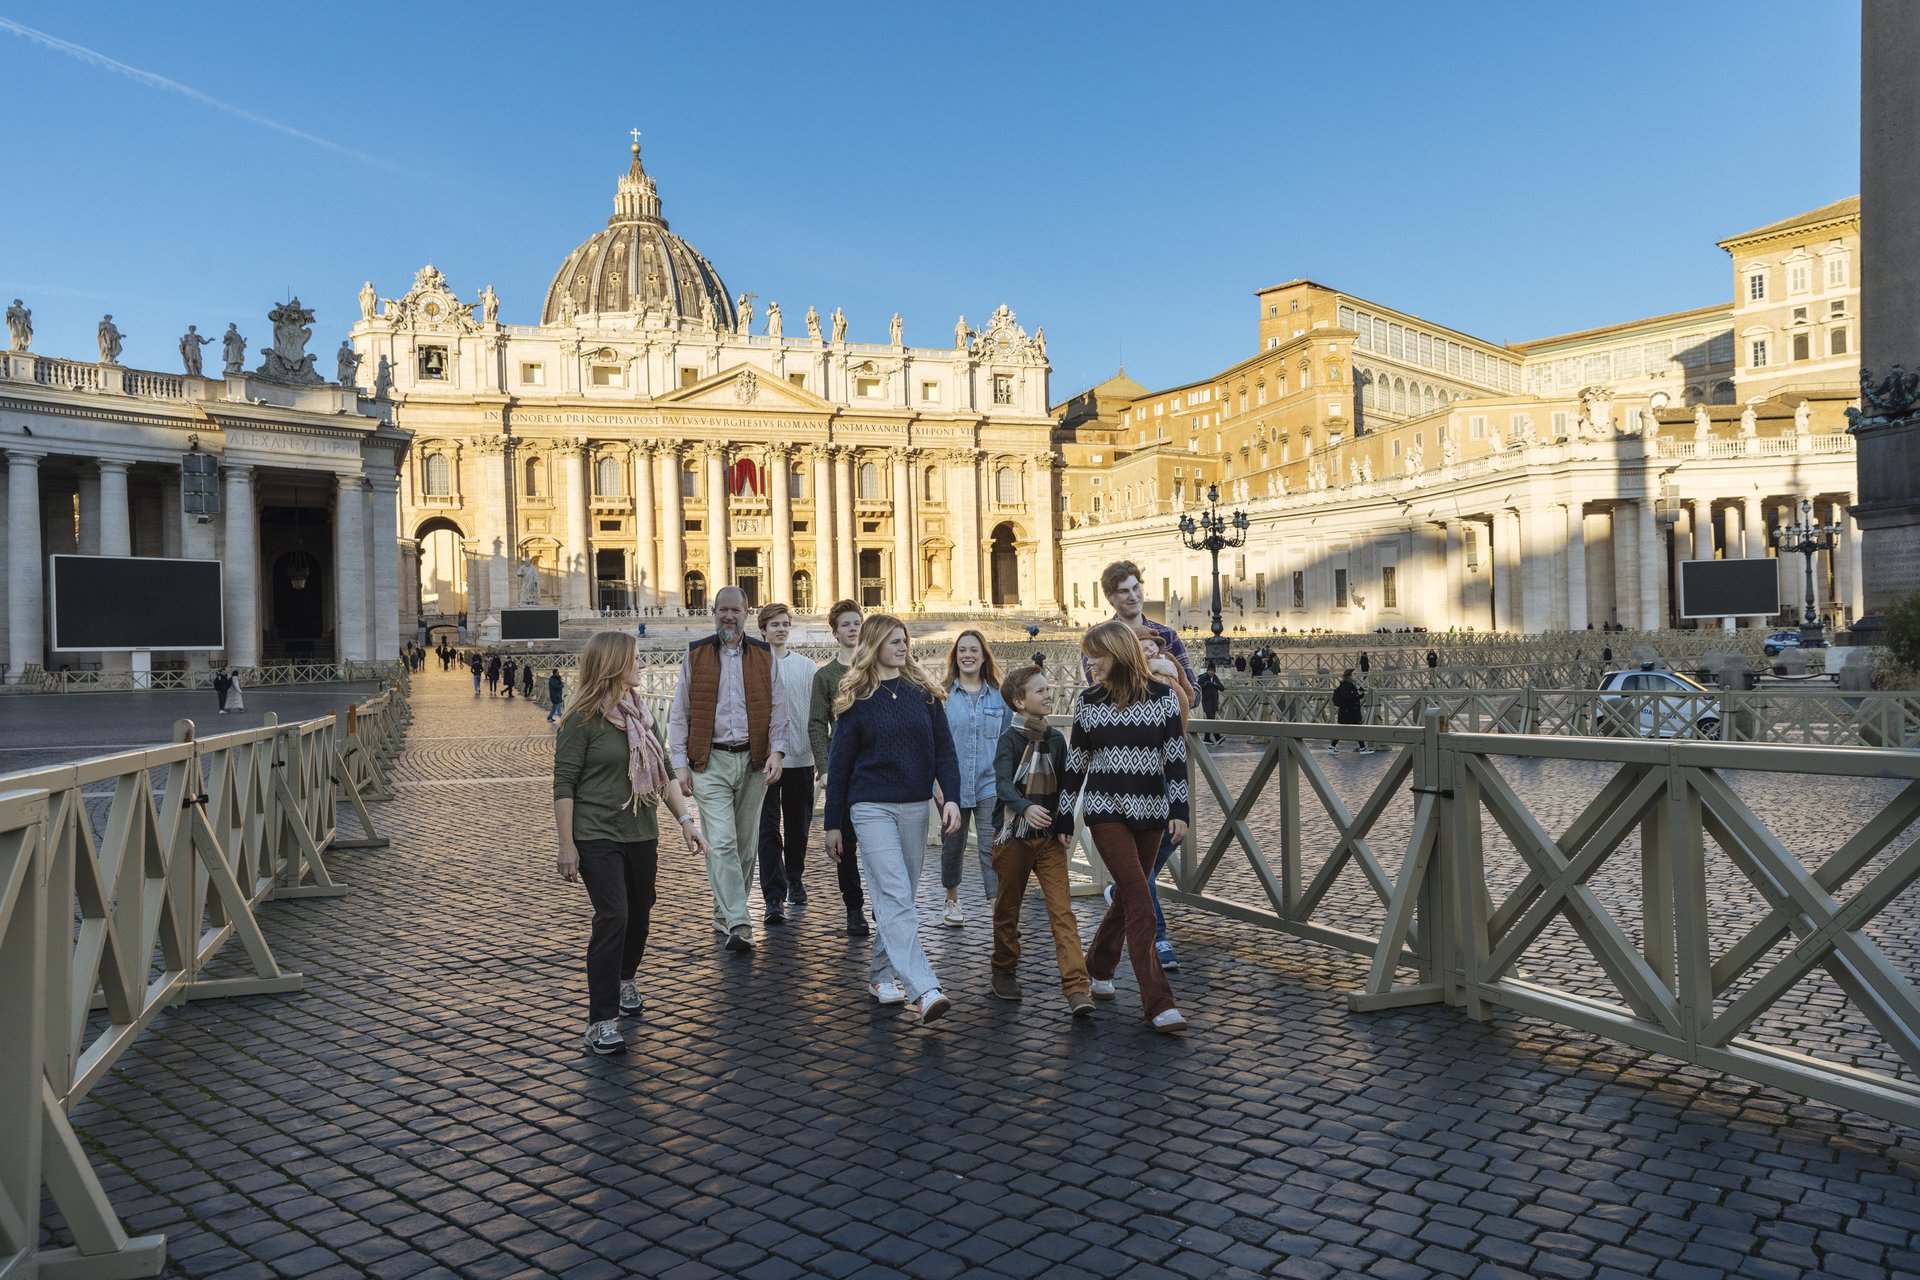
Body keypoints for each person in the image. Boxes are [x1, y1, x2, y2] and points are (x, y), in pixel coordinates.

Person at [554, 631, 709, 1056]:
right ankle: (600, 1020)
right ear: (614, 664)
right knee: (614, 916)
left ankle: (625, 978)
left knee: (640, 914)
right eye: (636, 659)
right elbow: (563, 785)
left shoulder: (642, 715)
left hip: (641, 831)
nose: (642, 665)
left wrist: (685, 821)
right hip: (595, 833)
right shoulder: (580, 721)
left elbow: (660, 772)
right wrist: (566, 845)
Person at [823, 615, 962, 1024]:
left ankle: (881, 974)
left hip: (916, 805)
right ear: (875, 645)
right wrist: (834, 823)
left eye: (905, 641)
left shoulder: (923, 694)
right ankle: (923, 988)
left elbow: (945, 753)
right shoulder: (857, 698)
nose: (904, 647)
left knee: (898, 897)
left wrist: (950, 798)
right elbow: (841, 763)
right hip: (870, 807)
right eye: (895, 641)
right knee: (896, 892)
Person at [1052, 620, 1189, 1033]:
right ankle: (1159, 1002)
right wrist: (1064, 816)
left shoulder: (1164, 699)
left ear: (1118, 654)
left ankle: (1098, 965)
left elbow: (1176, 758)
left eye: (1096, 655)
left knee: (1127, 897)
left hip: (1152, 810)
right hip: (1104, 810)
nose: (1090, 662)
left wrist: (1179, 809)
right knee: (1139, 896)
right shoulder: (1089, 701)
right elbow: (1075, 764)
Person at [668, 585, 785, 953]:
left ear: (748, 613)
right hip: (710, 761)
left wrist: (778, 752)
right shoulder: (696, 653)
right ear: (713, 612)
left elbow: (779, 711)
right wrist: (680, 764)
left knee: (746, 845)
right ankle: (739, 920)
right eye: (722, 610)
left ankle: (723, 910)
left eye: (735, 610)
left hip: (753, 761)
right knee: (720, 842)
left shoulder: (766, 656)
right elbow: (679, 713)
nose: (728, 616)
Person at [989, 664, 1092, 1015]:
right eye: (1040, 691)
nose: (1049, 695)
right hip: (1013, 837)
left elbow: (1065, 786)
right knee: (1007, 909)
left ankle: (1077, 988)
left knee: (1062, 911)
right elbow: (1002, 783)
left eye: (1049, 689)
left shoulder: (1056, 738)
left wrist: (1064, 823)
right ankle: (1003, 970)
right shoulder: (1009, 739)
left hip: (1048, 838)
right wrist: (1023, 807)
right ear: (1019, 702)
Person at [937, 630, 1008, 927]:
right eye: (962, 650)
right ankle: (952, 898)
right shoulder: (940, 696)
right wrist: (937, 784)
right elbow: (934, 744)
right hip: (952, 783)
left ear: (983, 656)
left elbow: (1008, 743)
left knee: (991, 844)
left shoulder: (1000, 697)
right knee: (953, 842)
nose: (968, 655)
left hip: (989, 781)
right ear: (955, 657)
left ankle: (997, 905)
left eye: (974, 650)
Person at [809, 599, 870, 936]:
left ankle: (880, 901)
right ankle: (854, 905)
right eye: (845, 624)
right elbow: (817, 724)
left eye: (856, 623)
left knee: (877, 840)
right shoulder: (825, 676)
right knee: (845, 841)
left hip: (875, 766)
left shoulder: (876, 668)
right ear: (835, 633)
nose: (852, 629)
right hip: (842, 768)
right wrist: (824, 767)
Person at [755, 602, 818, 924]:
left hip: (800, 758)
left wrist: (820, 755)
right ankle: (773, 896)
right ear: (763, 630)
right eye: (774, 624)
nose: (780, 629)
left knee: (798, 828)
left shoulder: (807, 667)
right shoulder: (753, 666)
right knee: (767, 832)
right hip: (763, 762)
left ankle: (795, 876)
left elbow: (818, 716)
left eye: (785, 624)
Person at [1099, 560, 1196, 687]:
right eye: (1124, 591)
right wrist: (1149, 667)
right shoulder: (1099, 639)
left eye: (1136, 588)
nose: (1133, 596)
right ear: (1109, 596)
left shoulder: (1168, 635)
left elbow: (1193, 690)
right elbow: (1099, 690)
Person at [1329, 668, 1369, 754]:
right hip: (1348, 712)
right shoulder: (1344, 686)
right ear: (1349, 676)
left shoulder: (1352, 685)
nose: (1356, 676)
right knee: (1352, 729)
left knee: (1350, 729)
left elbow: (1358, 696)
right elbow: (1346, 697)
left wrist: (1360, 691)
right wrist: (1356, 694)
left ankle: (1332, 746)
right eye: (1354, 674)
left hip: (1350, 712)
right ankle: (1362, 748)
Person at [1197, 661, 1225, 746]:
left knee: (1210, 720)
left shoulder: (1215, 678)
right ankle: (1217, 737)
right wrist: (1205, 684)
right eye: (1209, 670)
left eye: (1212, 671)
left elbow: (1222, 688)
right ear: (1207, 670)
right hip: (1206, 702)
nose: (1211, 672)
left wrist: (1215, 685)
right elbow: (1198, 686)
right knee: (1212, 719)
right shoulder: (1203, 677)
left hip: (1214, 702)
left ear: (1214, 671)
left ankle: (1207, 738)